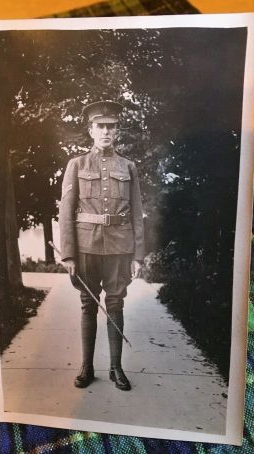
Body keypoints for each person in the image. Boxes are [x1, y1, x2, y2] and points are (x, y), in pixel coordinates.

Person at [59, 100, 145, 391]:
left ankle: (116, 368)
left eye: (111, 126)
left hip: (120, 247)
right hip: (86, 246)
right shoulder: (77, 165)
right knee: (88, 304)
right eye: (100, 126)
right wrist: (68, 254)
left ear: (117, 131)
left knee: (116, 303)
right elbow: (66, 211)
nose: (106, 131)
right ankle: (87, 366)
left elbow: (136, 212)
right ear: (91, 130)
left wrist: (138, 256)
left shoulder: (128, 167)